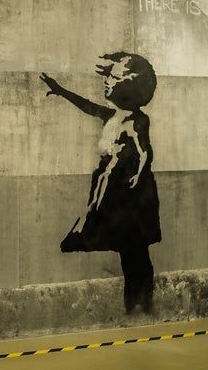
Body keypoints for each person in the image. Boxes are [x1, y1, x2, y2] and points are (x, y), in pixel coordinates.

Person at [40, 52, 160, 313]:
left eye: (114, 78)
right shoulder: (111, 116)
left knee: (136, 251)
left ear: (129, 85)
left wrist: (137, 175)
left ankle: (142, 302)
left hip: (132, 192)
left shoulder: (138, 120)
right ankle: (135, 303)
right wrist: (60, 90)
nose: (107, 82)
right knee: (129, 251)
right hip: (116, 187)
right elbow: (86, 105)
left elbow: (145, 152)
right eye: (109, 76)